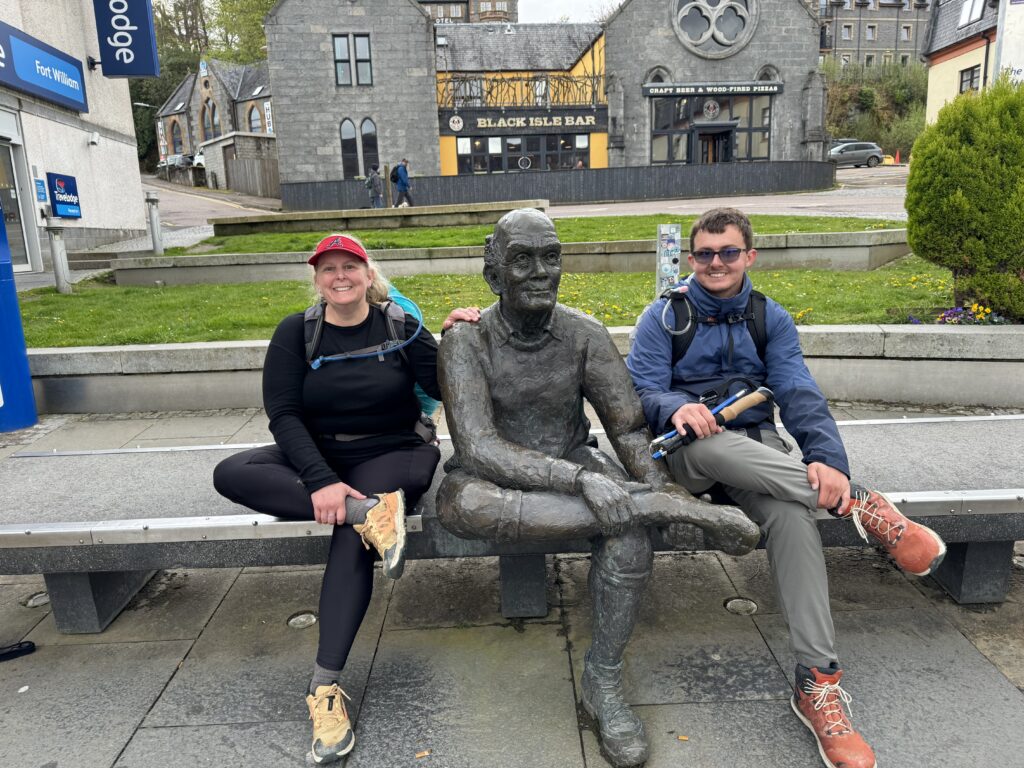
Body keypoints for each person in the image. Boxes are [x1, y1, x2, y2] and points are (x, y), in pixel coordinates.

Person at [436, 208, 761, 768]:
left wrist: (654, 481)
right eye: (521, 260)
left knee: (628, 538)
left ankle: (603, 683)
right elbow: (478, 449)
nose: (541, 271)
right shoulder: (465, 342)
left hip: (574, 463)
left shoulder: (584, 334)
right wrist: (590, 483)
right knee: (464, 501)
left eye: (551, 257)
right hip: (498, 482)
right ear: (493, 275)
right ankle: (647, 507)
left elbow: (629, 429)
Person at [627, 207, 948, 768]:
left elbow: (798, 390)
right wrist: (678, 406)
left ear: (749, 256)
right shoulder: (663, 318)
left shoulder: (768, 318)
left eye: (728, 252)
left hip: (759, 457)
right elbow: (643, 389)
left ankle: (815, 683)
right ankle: (863, 508)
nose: (716, 263)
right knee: (707, 440)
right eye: (705, 253)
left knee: (793, 517)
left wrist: (827, 459)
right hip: (692, 454)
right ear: (691, 259)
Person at [212, 234, 473, 765]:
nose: (339, 277)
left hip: (394, 451)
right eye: (327, 269)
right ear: (317, 280)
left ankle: (325, 688)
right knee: (232, 471)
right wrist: (323, 482)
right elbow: (283, 415)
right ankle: (367, 513)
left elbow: (446, 388)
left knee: (349, 543)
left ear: (366, 272)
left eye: (349, 266)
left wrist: (454, 339)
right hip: (322, 456)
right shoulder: (297, 332)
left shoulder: (399, 324)